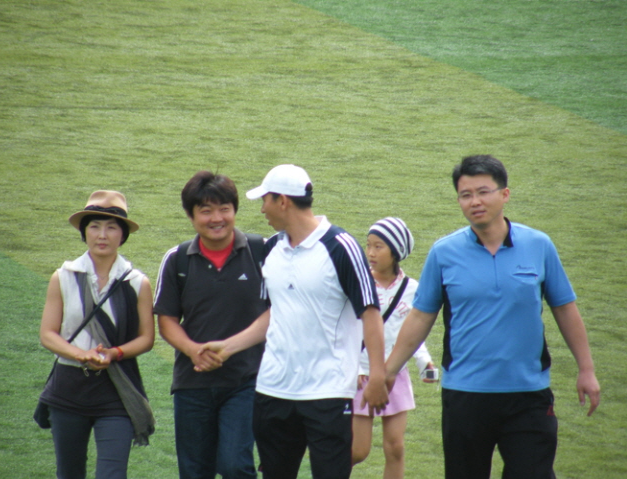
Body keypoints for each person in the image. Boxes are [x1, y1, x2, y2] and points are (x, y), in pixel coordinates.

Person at [385, 155, 601, 479]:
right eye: (465, 195)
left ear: (505, 194)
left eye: (483, 192)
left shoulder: (539, 245)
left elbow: (564, 308)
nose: (475, 202)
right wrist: (388, 372)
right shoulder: (444, 253)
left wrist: (586, 369)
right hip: (465, 394)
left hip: (528, 394)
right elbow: (420, 317)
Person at [197, 164, 390, 479]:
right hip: (273, 389)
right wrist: (228, 347)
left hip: (327, 392)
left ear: (283, 201)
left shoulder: (341, 246)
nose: (262, 209)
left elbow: (370, 313)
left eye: (265, 200)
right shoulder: (272, 248)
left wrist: (378, 375)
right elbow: (276, 312)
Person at [153, 171, 267, 479]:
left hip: (247, 380)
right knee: (194, 471)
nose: (216, 218)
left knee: (235, 466)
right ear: (191, 216)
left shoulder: (262, 251)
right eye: (205, 211)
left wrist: (229, 348)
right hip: (192, 383)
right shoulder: (177, 259)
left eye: (224, 209)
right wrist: (193, 350)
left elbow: (278, 311)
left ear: (235, 210)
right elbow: (167, 320)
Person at [38, 190, 155, 479]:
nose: (102, 235)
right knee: (69, 473)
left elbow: (146, 338)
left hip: (116, 390)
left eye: (112, 227)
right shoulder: (62, 277)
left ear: (123, 235)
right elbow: (48, 334)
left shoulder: (137, 282)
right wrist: (81, 355)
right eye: (94, 226)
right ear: (84, 232)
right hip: (68, 389)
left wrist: (114, 353)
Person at [352, 217, 437, 479]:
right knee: (357, 450)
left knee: (396, 448)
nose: (370, 252)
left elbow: (413, 332)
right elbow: (344, 330)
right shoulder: (358, 284)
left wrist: (424, 362)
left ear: (396, 251)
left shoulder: (412, 289)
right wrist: (354, 368)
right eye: (368, 245)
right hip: (359, 376)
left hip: (394, 374)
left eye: (378, 246)